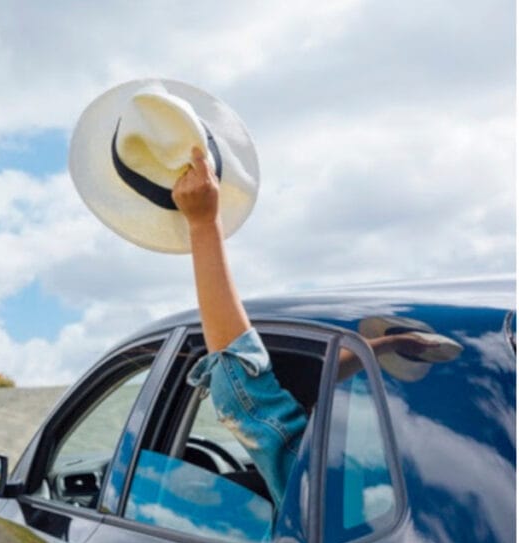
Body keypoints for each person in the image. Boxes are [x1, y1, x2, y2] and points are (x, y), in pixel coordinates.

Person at [171, 146, 438, 511]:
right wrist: (380, 346)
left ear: (304, 410)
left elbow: (242, 388)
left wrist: (203, 225)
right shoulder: (428, 475)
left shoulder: (319, 486)